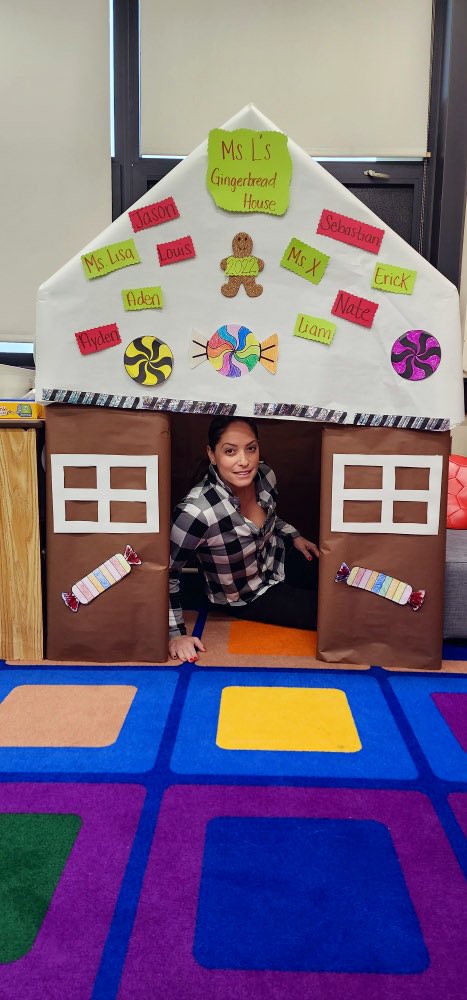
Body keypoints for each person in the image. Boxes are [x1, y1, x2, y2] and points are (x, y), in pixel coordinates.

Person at [169, 416, 319, 662]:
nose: (244, 461)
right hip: (246, 595)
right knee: (328, 614)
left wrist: (294, 536)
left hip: (278, 558)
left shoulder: (265, 475)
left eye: (251, 448)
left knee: (339, 580)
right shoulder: (196, 513)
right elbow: (168, 572)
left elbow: (271, 518)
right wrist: (176, 633)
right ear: (212, 454)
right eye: (230, 451)